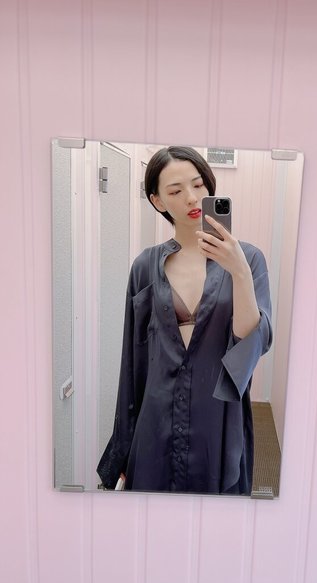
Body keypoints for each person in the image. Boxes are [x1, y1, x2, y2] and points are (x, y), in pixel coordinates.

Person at [97, 146, 272, 495]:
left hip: (217, 418)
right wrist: (123, 447)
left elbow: (251, 343)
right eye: (175, 191)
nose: (191, 197)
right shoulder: (145, 266)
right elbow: (132, 364)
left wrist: (238, 271)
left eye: (197, 184)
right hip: (155, 420)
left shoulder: (249, 258)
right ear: (158, 201)